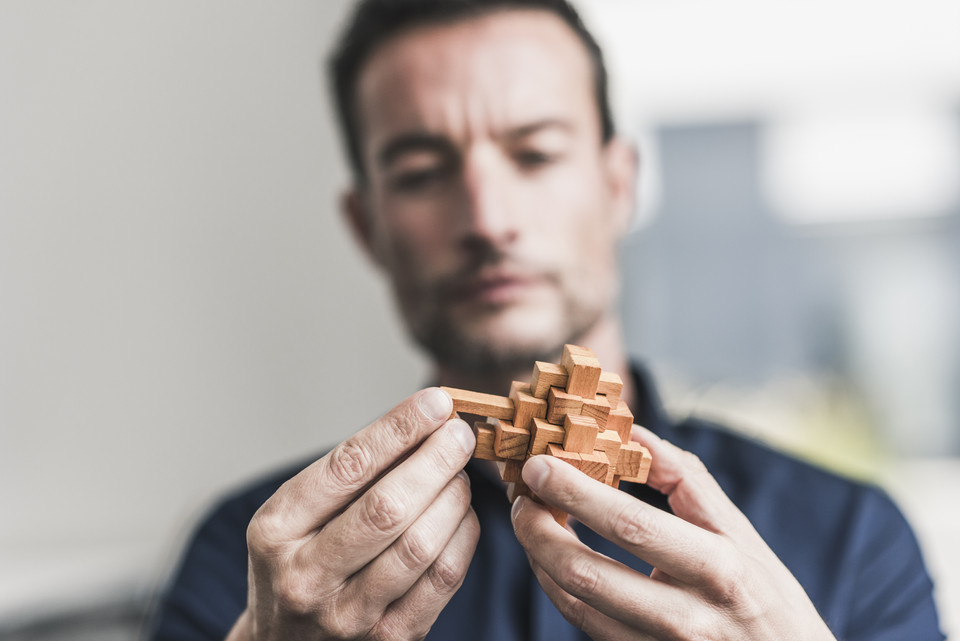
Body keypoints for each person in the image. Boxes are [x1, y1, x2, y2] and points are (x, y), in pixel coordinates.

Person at [147, 1, 945, 639]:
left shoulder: (849, 537)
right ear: (368, 227)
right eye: (423, 172)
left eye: (534, 154)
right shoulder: (264, 562)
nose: (489, 218)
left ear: (618, 184)